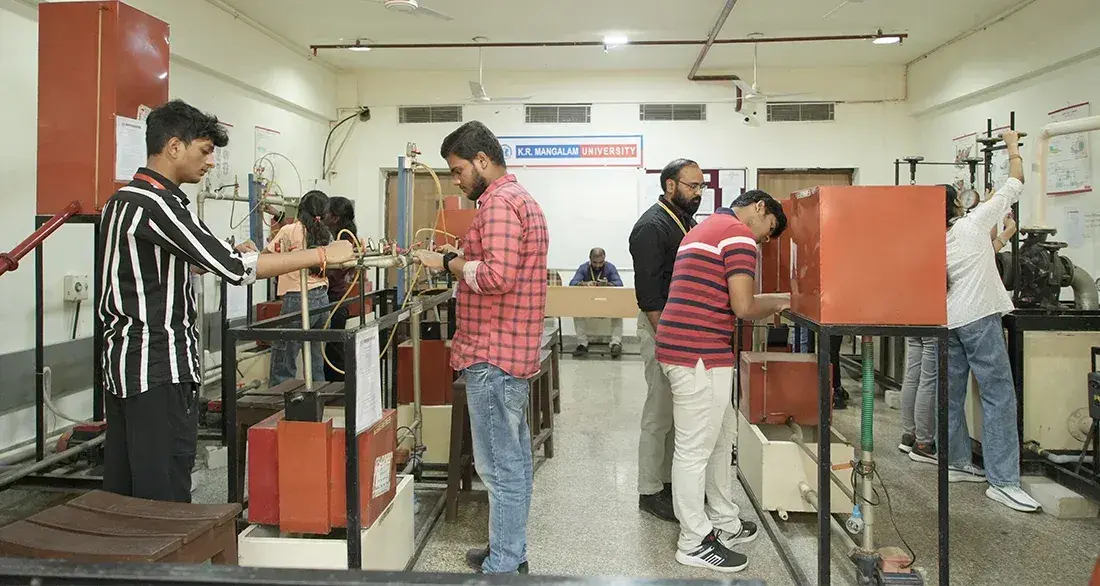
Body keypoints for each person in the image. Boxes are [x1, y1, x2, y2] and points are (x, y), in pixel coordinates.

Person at [98, 99, 354, 503]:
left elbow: (153, 271)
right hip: (159, 367)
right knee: (163, 487)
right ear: (174, 147)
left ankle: (128, 562)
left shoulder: (123, 201)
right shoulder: (158, 205)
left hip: (124, 365)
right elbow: (236, 268)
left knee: (129, 487)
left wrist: (220, 257)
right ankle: (166, 565)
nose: (210, 162)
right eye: (204, 151)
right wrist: (323, 255)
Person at [411, 120, 549, 575]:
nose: (456, 179)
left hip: (492, 356)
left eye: (457, 170)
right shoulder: (522, 200)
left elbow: (496, 276)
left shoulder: (499, 206)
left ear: (482, 162)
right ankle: (508, 549)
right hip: (509, 352)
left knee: (500, 467)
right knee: (513, 461)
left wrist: (448, 261)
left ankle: (506, 563)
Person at [656, 190, 788, 572]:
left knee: (719, 437)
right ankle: (694, 540)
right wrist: (783, 301)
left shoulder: (705, 228)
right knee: (696, 448)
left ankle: (723, 520)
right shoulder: (739, 235)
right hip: (698, 352)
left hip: (686, 346)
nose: (763, 239)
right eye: (769, 231)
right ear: (760, 208)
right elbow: (743, 306)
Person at [944, 129, 1041, 512]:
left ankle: (955, 461)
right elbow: (1014, 183)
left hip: (947, 322)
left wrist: (1001, 237)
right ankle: (1003, 480)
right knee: (999, 395)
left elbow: (971, 262)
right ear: (957, 205)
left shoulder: (935, 235)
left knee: (950, 396)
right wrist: (1013, 146)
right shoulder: (969, 225)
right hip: (979, 317)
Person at [900, 211, 1016, 462]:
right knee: (932, 382)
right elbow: (979, 257)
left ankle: (909, 435)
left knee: (914, 375)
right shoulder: (951, 238)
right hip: (939, 314)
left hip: (913, 311)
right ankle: (924, 441)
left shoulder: (919, 236)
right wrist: (1006, 234)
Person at [629, 158, 703, 522]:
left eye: (701, 187)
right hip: (660, 328)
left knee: (677, 414)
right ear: (670, 186)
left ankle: (670, 482)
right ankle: (649, 490)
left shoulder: (683, 221)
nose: (698, 193)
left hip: (678, 330)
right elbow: (649, 295)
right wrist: (667, 337)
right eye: (692, 186)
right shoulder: (651, 227)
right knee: (658, 413)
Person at [264, 190, 333, 387]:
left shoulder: (289, 231)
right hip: (322, 299)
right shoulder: (326, 234)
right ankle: (318, 400)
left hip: (298, 298)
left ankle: (279, 401)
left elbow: (266, 257)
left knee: (284, 354)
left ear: (301, 208)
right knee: (315, 357)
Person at [322, 196, 359, 381]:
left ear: (335, 218)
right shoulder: (341, 235)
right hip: (337, 300)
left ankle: (338, 393)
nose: (323, 215)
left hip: (333, 300)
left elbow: (335, 271)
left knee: (334, 352)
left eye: (326, 212)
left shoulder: (342, 239)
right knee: (332, 348)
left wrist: (313, 269)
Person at [569, 247, 625, 358]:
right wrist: (584, 284)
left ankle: (615, 343)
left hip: (607, 303)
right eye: (595, 262)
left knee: (619, 312)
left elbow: (619, 284)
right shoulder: (583, 268)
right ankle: (582, 344)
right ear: (590, 259)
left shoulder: (610, 267)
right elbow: (572, 283)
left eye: (601, 262)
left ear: (604, 259)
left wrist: (608, 284)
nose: (598, 265)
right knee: (576, 312)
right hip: (588, 304)